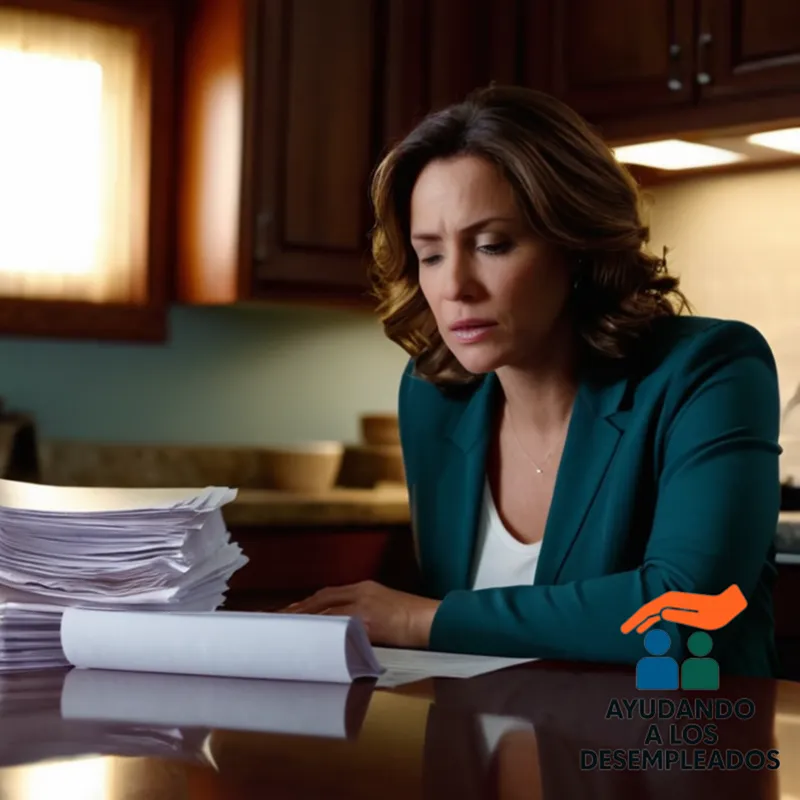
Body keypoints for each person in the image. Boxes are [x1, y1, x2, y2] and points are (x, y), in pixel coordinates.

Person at [286, 85, 781, 678]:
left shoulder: (711, 367)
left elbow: (689, 612)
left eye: (492, 244)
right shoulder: (434, 394)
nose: (454, 287)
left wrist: (422, 620)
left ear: (574, 245)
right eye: (431, 254)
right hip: (485, 749)